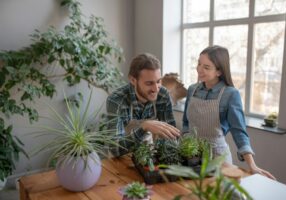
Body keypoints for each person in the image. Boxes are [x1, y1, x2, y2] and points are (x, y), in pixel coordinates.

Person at [182, 45, 275, 180]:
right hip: (191, 157)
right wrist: (186, 146)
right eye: (199, 64)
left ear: (219, 71)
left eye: (206, 67)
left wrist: (252, 165)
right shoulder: (192, 90)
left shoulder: (230, 94)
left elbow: (239, 131)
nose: (199, 70)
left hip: (218, 160)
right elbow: (186, 122)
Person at [106, 53, 181, 157]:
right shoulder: (117, 100)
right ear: (133, 80)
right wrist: (143, 127)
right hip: (121, 159)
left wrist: (164, 156)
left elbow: (172, 136)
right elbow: (115, 149)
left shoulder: (163, 95)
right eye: (149, 83)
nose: (156, 89)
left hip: (147, 156)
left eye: (158, 81)